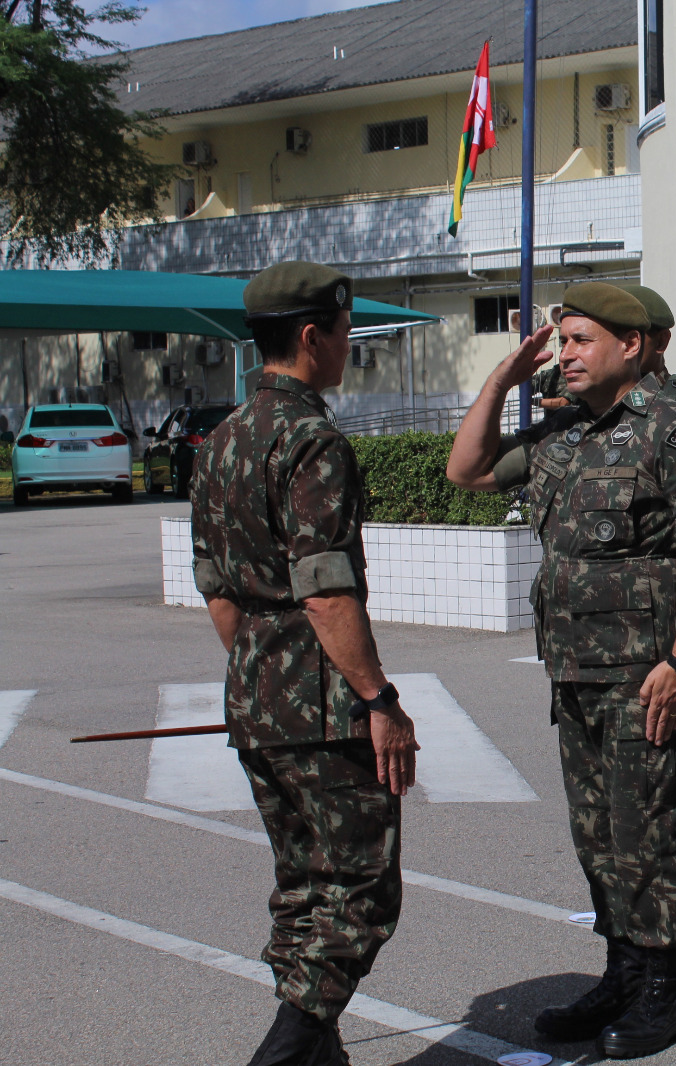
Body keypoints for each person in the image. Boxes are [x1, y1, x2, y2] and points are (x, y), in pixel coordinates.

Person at [447, 282, 676, 1059]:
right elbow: (466, 471)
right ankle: (619, 969)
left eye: (579, 341)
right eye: (560, 341)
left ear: (632, 346)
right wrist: (500, 382)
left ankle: (660, 992)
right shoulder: (567, 437)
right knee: (599, 836)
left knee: (651, 833)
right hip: (574, 670)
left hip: (645, 673)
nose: (564, 355)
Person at [190, 261, 419, 1066]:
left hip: (256, 692)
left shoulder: (221, 440)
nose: (349, 347)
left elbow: (217, 589)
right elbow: (325, 592)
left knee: (302, 885)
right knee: (359, 887)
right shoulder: (311, 438)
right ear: (314, 335)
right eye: (348, 332)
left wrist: (263, 674)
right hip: (322, 701)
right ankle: (288, 1052)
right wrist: (377, 698)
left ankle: (316, 1052)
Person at [518, 287, 676, 901]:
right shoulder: (589, 405)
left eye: (585, 339)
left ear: (648, 341)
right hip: (606, 630)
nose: (571, 353)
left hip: (673, 604)